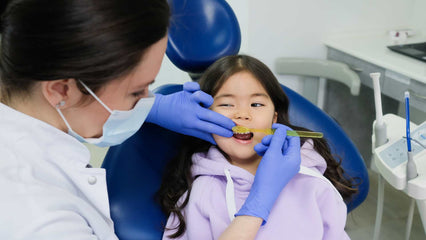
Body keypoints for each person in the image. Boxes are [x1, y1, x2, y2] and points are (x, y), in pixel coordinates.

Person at [0, 1, 303, 239]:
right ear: (60, 90)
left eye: (150, 89)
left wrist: (156, 107)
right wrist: (256, 208)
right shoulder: (36, 216)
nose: (148, 100)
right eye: (136, 92)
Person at [158, 55, 358, 239]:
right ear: (204, 118)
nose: (242, 115)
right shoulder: (200, 194)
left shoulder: (312, 183)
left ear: (274, 117)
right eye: (227, 104)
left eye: (256, 105)